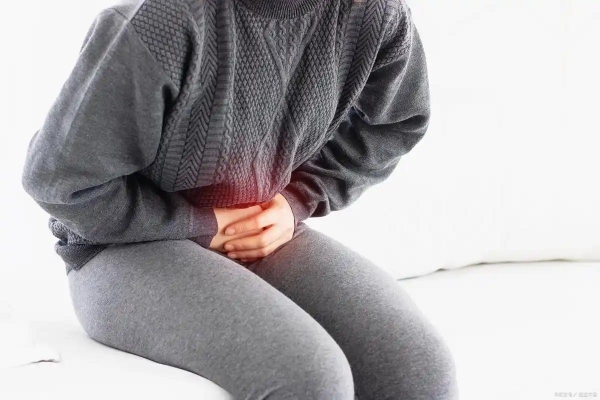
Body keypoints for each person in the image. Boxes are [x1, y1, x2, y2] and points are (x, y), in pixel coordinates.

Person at [21, 0, 458, 398]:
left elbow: (396, 123)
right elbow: (58, 180)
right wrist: (202, 225)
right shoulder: (162, 20)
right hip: (123, 246)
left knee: (420, 371)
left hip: (255, 228)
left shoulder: (374, 13)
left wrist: (297, 200)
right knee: (309, 378)